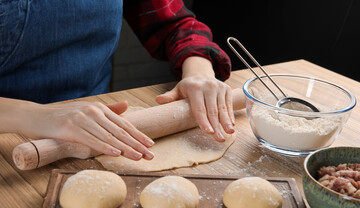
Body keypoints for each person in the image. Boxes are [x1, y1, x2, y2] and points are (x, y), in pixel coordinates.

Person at [0, 0, 234, 161]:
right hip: (8, 137)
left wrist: (199, 72)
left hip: (100, 123)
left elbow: (173, 23)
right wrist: (35, 115)